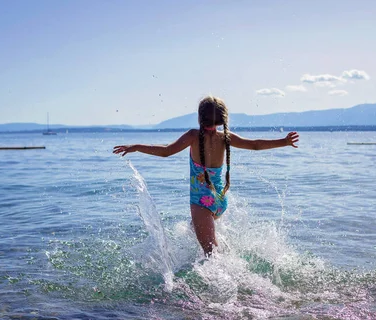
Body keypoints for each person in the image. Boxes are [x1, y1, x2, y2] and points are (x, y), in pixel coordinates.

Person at [113, 96, 299, 256]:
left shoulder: (193, 135)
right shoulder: (226, 137)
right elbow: (256, 145)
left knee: (211, 255)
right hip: (219, 199)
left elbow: (166, 151)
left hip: (201, 201)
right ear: (222, 119)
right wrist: (283, 141)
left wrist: (136, 147)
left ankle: (225, 286)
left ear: (200, 117)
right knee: (199, 236)